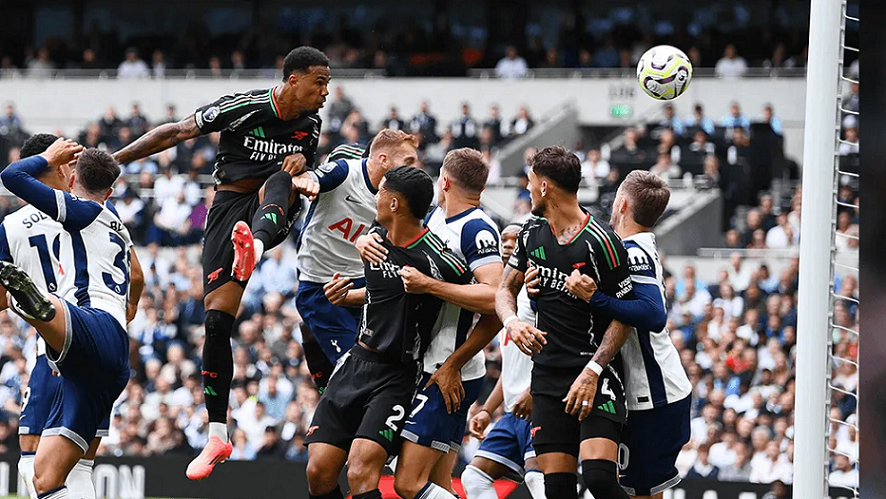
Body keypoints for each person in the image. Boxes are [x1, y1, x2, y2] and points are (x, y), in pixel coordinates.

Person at [113, 46, 328, 480]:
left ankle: (258, 251)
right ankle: (216, 434)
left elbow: (306, 170)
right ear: (293, 80)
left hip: (268, 210)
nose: (326, 92)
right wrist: (114, 162)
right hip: (228, 208)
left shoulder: (311, 124)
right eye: (319, 81)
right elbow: (174, 133)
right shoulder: (241, 106)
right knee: (215, 324)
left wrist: (305, 163)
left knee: (281, 179)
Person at [304, 166, 472, 499]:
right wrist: (349, 294)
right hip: (355, 363)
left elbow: (487, 298)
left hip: (397, 375)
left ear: (394, 204)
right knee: (318, 472)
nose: (375, 197)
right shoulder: (375, 235)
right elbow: (384, 289)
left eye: (381, 192)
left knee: (361, 469)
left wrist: (433, 289)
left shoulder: (438, 259)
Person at [529, 170, 692, 499]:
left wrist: (595, 298)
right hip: (640, 390)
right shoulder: (621, 248)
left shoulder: (633, 252)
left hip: (655, 393)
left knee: (638, 491)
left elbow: (654, 314)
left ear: (622, 203)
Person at [0, 138, 144, 499]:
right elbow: (137, 277)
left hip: (68, 333)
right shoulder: (115, 221)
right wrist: (129, 311)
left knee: (31, 456)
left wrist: (44, 159)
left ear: (72, 171)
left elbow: (11, 176)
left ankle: (37, 305)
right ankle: (40, 306)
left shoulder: (50, 214)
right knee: (56, 473)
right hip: (110, 345)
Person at [495, 146, 634, 499]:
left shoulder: (602, 242)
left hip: (594, 372)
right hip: (547, 377)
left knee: (600, 478)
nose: (526, 190)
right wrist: (512, 322)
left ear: (544, 187)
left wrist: (592, 371)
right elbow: (503, 290)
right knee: (557, 490)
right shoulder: (530, 232)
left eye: (529, 183)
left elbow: (626, 316)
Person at [368, 149, 503, 498]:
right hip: (425, 363)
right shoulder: (436, 219)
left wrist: (452, 364)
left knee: (408, 482)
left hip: (448, 368)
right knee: (438, 483)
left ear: (443, 181)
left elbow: (496, 299)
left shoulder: (477, 228)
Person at [296, 130, 418, 391]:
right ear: (383, 159)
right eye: (408, 162)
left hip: (362, 284)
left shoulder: (396, 198)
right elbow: (309, 178)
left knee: (375, 363)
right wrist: (305, 181)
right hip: (322, 283)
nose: (414, 169)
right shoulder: (345, 173)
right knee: (354, 370)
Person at [464, 224, 546, 499]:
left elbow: (564, 350)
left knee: (539, 481)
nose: (509, 244)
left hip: (542, 404)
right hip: (513, 413)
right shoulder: (505, 303)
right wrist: (487, 410)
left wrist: (534, 391)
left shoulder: (537, 292)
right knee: (473, 478)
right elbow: (511, 369)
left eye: (516, 239)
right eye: (504, 239)